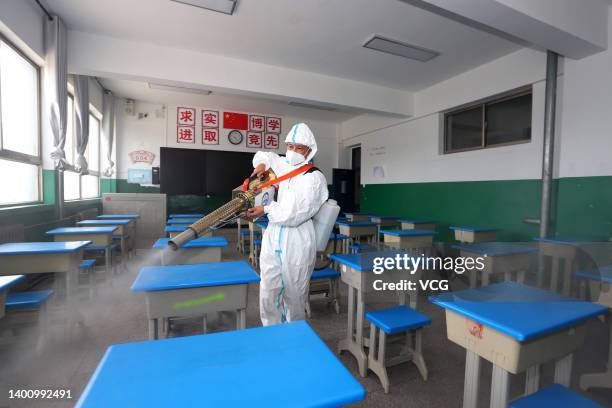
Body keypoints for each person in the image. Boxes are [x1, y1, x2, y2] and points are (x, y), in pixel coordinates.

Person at [246, 123, 328, 326]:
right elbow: (265, 156)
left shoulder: (314, 178)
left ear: (310, 150)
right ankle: (272, 334)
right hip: (273, 235)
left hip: (297, 239)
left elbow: (294, 214)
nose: (292, 151)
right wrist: (261, 168)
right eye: (290, 146)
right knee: (268, 290)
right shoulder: (284, 166)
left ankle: (294, 339)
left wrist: (265, 210)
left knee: (294, 294)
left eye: (299, 147)